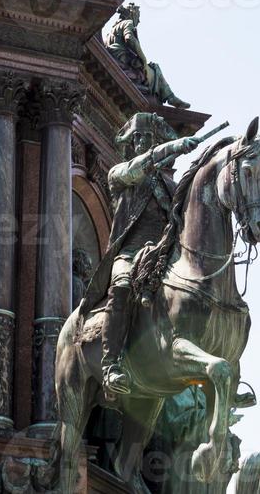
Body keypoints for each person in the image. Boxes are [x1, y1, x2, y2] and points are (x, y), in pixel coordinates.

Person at [80, 112, 200, 397]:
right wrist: (171, 147)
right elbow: (139, 168)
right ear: (131, 144)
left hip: (162, 256)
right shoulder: (120, 176)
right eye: (139, 139)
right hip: (130, 253)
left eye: (147, 138)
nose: (143, 143)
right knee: (120, 287)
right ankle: (111, 365)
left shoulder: (171, 186)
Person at [104, 3, 190, 109]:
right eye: (138, 17)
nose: (138, 21)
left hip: (120, 58)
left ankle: (170, 97)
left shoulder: (111, 32)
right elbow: (129, 38)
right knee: (155, 69)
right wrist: (143, 59)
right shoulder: (128, 23)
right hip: (125, 60)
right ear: (132, 14)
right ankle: (170, 97)